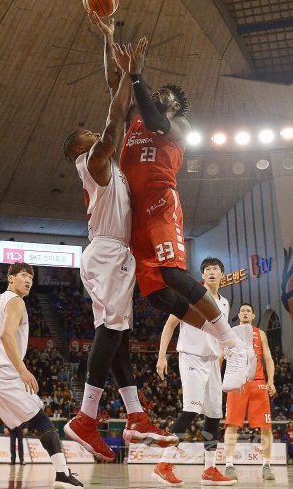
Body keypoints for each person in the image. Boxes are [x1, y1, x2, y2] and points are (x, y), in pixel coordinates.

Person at [108, 32, 255, 392]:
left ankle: (234, 346)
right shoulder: (135, 116)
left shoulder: (180, 127)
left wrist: (138, 76)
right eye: (155, 92)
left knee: (173, 273)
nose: (157, 95)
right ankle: (225, 340)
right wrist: (108, 41)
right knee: (157, 296)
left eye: (164, 95)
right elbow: (114, 83)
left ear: (174, 106)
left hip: (160, 203)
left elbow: (155, 120)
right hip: (136, 213)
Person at [63, 42, 178, 462]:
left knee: (118, 336)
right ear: (80, 150)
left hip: (113, 255)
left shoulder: (107, 167)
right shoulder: (91, 163)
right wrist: (130, 76)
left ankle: (135, 415)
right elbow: (114, 121)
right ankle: (85, 417)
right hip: (107, 253)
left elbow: (116, 93)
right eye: (90, 137)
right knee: (111, 332)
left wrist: (110, 42)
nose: (98, 136)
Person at [0, 263, 83, 488]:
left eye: (31, 278)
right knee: (40, 417)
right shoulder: (16, 301)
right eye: (24, 275)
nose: (28, 281)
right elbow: (6, 336)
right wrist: (23, 370)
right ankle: (62, 473)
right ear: (10, 278)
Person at [154, 257, 236, 486]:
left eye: (215, 269)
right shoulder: (192, 296)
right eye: (207, 269)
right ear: (202, 275)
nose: (211, 272)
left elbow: (221, 335)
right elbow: (170, 324)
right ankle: (163, 464)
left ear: (222, 275)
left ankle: (210, 469)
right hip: (191, 356)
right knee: (191, 410)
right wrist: (161, 356)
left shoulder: (225, 303)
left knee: (214, 415)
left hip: (212, 361)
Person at [224, 303, 276, 481]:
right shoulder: (230, 333)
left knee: (266, 426)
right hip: (237, 383)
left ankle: (266, 465)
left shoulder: (260, 333)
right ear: (238, 315)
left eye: (248, 311)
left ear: (253, 316)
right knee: (231, 424)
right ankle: (229, 464)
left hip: (258, 382)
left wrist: (271, 380)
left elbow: (268, 357)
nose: (245, 313)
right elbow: (221, 356)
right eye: (242, 311)